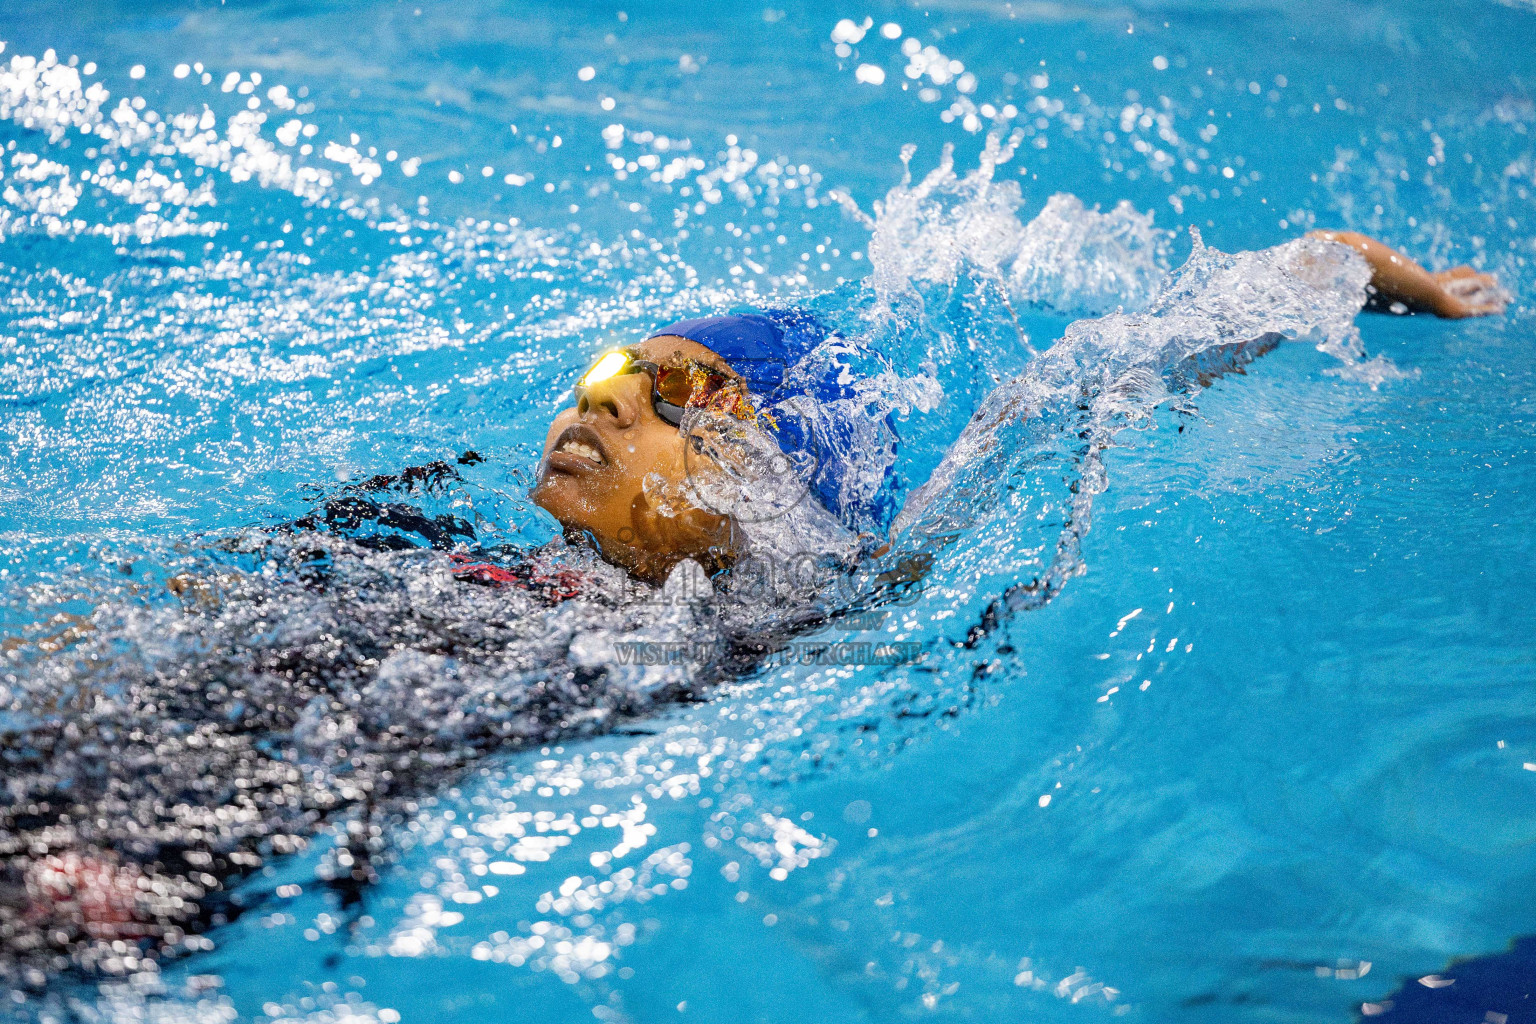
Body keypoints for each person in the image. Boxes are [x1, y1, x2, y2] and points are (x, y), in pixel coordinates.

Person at [528, 230, 1507, 586]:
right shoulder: (463, 566)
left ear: (783, 482)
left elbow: (1134, 352)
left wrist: (1379, 275)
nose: (608, 395)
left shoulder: (875, 569)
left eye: (685, 395)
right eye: (612, 373)